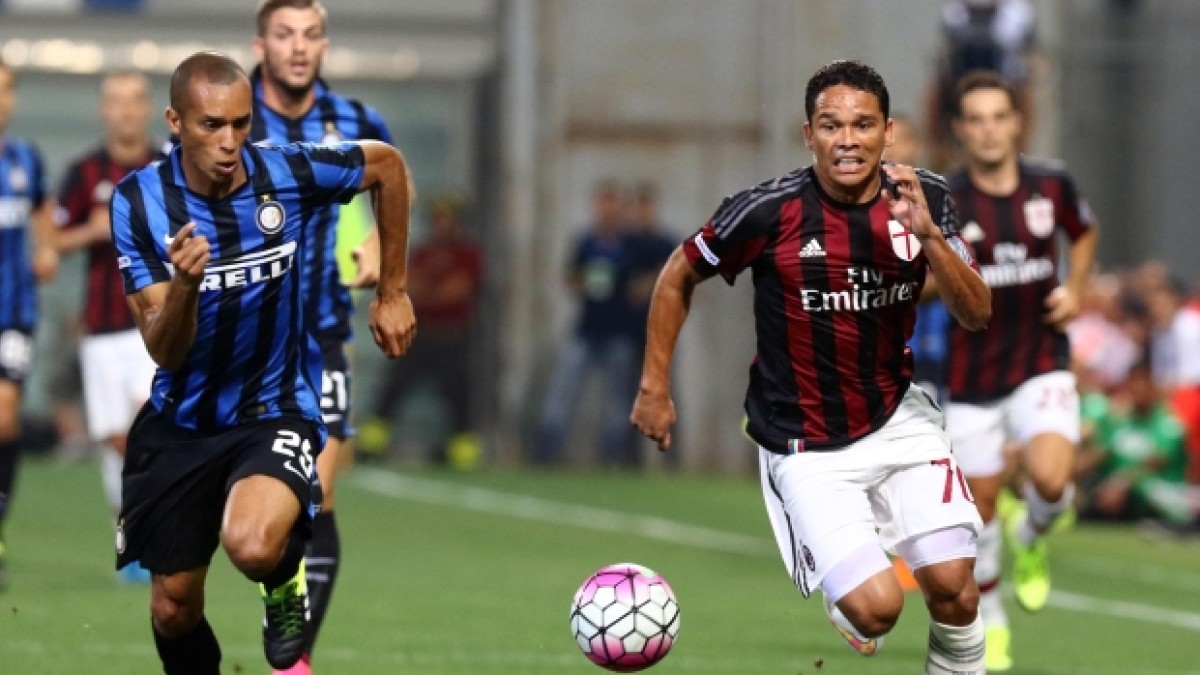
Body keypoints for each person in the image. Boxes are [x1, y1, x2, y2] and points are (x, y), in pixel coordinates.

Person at [631, 60, 992, 674]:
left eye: (862, 125)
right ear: (809, 135)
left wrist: (930, 237)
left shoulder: (926, 196)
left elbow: (976, 312)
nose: (847, 140)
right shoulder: (766, 211)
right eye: (831, 126)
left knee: (955, 587)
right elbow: (677, 274)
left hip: (897, 417)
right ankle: (847, 594)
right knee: (878, 610)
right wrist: (653, 387)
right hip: (805, 440)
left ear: (888, 132)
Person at [111, 51, 413, 674]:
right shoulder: (138, 203)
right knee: (172, 608)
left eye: (241, 123)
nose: (230, 141)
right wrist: (186, 285)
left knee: (250, 544)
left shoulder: (286, 171)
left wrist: (393, 290)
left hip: (273, 408)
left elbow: (387, 164)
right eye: (211, 125)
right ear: (175, 121)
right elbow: (164, 351)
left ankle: (283, 585)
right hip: (182, 421)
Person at [249, 1, 395, 670]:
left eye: (310, 35)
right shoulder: (230, 116)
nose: (298, 47)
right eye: (284, 35)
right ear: (261, 44)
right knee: (244, 521)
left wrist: (384, 251)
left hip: (322, 335)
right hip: (241, 341)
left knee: (318, 495)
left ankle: (295, 658)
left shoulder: (357, 120)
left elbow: (390, 182)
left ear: (325, 45)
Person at [941, 69, 1098, 672]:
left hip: (1040, 360)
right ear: (960, 129)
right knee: (977, 512)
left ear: (1017, 123)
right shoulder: (945, 199)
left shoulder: (1051, 184)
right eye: (976, 119)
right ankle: (993, 617)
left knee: (1053, 481)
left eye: (998, 117)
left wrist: (1076, 287)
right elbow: (924, 276)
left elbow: (1083, 232)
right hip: (971, 375)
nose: (988, 130)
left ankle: (1031, 536)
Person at [54, 70, 162, 585]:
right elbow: (51, 240)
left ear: (149, 108)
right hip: (101, 326)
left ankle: (158, 531)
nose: (125, 109)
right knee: (116, 440)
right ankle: (131, 534)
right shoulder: (83, 172)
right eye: (115, 100)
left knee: (148, 428)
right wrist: (89, 231)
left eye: (134, 99)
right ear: (103, 109)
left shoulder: (169, 166)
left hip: (155, 321)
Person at [363, 194, 483, 464]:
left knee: (458, 397)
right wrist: (428, 283)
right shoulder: (424, 253)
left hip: (452, 336)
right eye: (438, 219)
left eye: (447, 219)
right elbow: (407, 286)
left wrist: (426, 289)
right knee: (393, 389)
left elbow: (456, 292)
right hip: (420, 333)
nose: (441, 224)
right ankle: (371, 444)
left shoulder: (467, 253)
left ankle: (463, 454)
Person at [0, 56, 59, 591]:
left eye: (6, 89)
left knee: (4, 414)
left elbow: (44, 211)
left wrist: (47, 249)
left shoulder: (24, 159)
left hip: (12, 313)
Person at [534, 179, 641, 467]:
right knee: (563, 392)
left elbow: (637, 282)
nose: (608, 210)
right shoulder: (586, 241)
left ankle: (612, 457)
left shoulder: (631, 244)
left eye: (613, 204)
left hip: (618, 331)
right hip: (586, 329)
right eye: (603, 203)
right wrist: (592, 280)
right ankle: (546, 451)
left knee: (617, 401)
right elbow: (571, 277)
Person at [924, 0, 1037, 171]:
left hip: (1005, 79)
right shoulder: (954, 12)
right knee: (935, 91)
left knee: (1025, 93)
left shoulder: (1018, 13)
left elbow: (1028, 58)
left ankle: (1021, 152)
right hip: (959, 80)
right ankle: (937, 151)